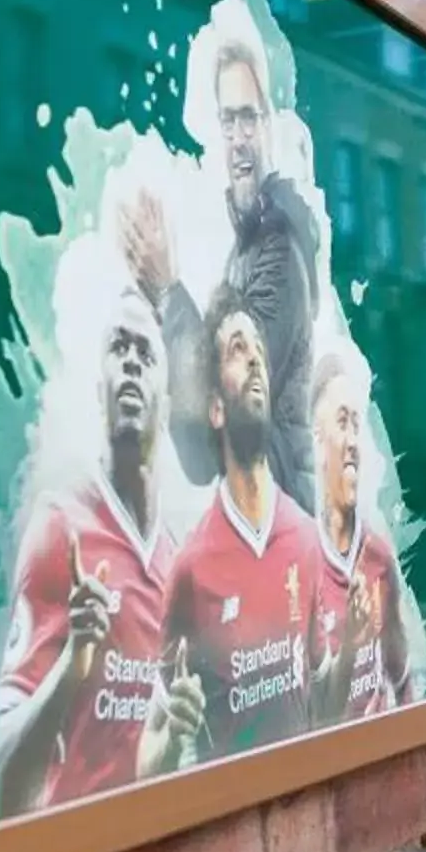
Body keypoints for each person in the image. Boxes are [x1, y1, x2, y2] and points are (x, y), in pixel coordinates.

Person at [0, 286, 178, 818]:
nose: (132, 364)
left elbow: (148, 766)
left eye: (145, 353)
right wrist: (71, 667)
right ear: (100, 388)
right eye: (119, 348)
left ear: (169, 394)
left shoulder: (173, 560)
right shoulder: (60, 525)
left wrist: (174, 737)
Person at [120, 27, 323, 513]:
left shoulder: (279, 245)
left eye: (248, 120)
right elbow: (200, 443)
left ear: (270, 125)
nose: (238, 141)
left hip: (279, 526)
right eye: (227, 122)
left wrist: (167, 289)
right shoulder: (246, 250)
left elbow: (233, 409)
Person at [150, 292, 333, 769]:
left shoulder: (306, 536)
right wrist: (172, 732)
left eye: (258, 350)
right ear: (215, 410)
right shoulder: (190, 566)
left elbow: (322, 691)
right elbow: (154, 749)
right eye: (237, 349)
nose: (254, 359)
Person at [308, 350, 412, 722]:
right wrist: (351, 645)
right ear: (317, 440)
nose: (352, 439)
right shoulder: (301, 564)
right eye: (342, 422)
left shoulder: (379, 557)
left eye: (357, 424)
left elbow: (402, 678)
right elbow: (319, 715)